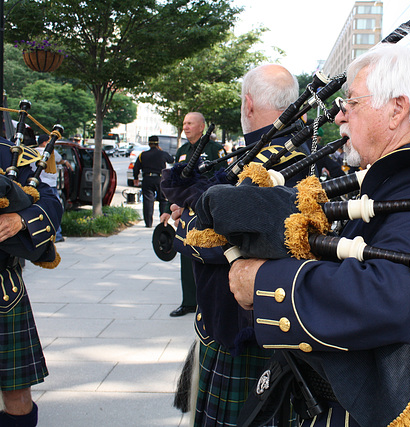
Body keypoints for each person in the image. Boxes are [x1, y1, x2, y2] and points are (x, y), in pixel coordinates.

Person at [226, 44, 410, 426]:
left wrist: (262, 280)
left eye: (353, 102)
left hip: (384, 414)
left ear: (397, 109)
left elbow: (390, 296)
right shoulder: (395, 183)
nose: (341, 113)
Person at [168, 63, 305, 426]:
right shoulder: (294, 155)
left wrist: (188, 219)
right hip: (271, 328)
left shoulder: (269, 163)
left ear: (247, 104)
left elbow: (206, 235)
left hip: (245, 334)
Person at [0, 136, 62, 426]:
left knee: (15, 395)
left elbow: (49, 201)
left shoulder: (9, 154)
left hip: (1, 291)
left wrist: (22, 219)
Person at [169, 113, 225, 318]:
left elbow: (223, 177)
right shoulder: (183, 151)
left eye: (190, 123)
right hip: (185, 210)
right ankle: (188, 302)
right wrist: (168, 209)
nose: (185, 126)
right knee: (185, 253)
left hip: (207, 210)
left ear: (202, 126)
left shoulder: (214, 150)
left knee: (207, 255)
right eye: (184, 123)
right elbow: (174, 181)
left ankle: (206, 303)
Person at [33, 134, 70, 242]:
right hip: (50, 186)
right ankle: (57, 235)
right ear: (45, 143)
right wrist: (66, 163)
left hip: (37, 185)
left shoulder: (33, 153)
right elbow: (60, 160)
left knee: (38, 211)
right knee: (55, 210)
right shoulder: (51, 153)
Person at [132, 135, 174, 228]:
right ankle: (163, 222)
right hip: (160, 179)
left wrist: (136, 178)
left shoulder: (142, 155)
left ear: (149, 144)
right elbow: (171, 160)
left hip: (147, 179)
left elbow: (136, 167)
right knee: (163, 200)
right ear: (158, 143)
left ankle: (148, 223)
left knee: (147, 201)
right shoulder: (162, 153)